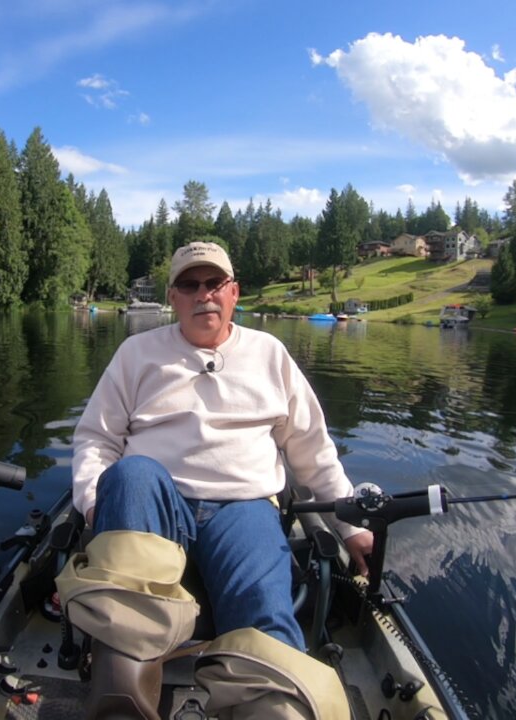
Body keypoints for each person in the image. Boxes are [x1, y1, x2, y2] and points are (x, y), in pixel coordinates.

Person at [57, 241, 371, 719]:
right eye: (189, 284)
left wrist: (351, 526)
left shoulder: (270, 353)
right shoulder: (136, 353)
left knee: (263, 614)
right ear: (173, 296)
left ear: (233, 293)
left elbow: (311, 452)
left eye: (214, 283)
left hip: (243, 506)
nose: (203, 294)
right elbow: (97, 439)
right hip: (154, 503)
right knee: (130, 473)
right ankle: (121, 704)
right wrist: (93, 502)